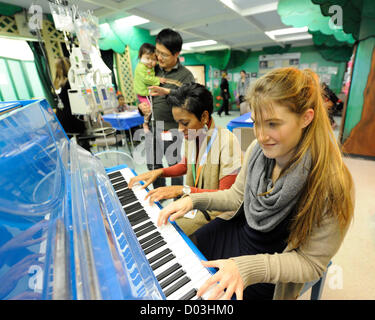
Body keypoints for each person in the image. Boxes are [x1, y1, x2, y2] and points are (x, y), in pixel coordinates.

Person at [157, 67, 355, 300]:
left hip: (276, 263)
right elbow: (235, 196)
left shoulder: (332, 182)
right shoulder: (257, 150)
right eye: (256, 123)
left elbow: (312, 263)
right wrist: (194, 199)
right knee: (185, 257)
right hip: (241, 231)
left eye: (273, 124)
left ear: (306, 118)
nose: (261, 136)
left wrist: (247, 268)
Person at [129, 83, 242, 235]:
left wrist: (182, 190)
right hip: (195, 205)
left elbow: (225, 196)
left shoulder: (227, 142)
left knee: (166, 232)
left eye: (185, 123)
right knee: (159, 223)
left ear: (204, 117)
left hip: (217, 213)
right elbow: (186, 165)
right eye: (178, 122)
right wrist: (159, 172)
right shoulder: (194, 134)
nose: (180, 129)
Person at [137, 28, 195, 189]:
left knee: (174, 164)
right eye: (157, 52)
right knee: (153, 163)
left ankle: (176, 196)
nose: (159, 57)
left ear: (176, 54)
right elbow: (142, 92)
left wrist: (168, 92)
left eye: (164, 54)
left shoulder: (185, 75)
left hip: (171, 128)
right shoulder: (152, 69)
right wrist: (140, 107)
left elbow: (189, 101)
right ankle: (159, 192)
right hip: (152, 126)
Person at [53, 56, 89, 151]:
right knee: (81, 147)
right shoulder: (68, 83)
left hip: (66, 120)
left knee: (73, 148)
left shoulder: (62, 84)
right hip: (72, 119)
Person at [133, 43, 167, 132]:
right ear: (140, 57)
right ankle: (145, 124)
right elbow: (145, 79)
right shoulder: (141, 67)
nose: (151, 62)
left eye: (153, 59)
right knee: (148, 109)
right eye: (147, 59)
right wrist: (158, 80)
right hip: (143, 93)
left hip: (146, 92)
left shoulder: (150, 66)